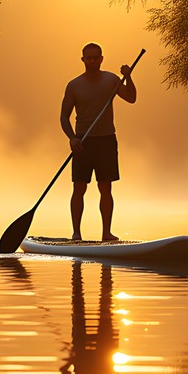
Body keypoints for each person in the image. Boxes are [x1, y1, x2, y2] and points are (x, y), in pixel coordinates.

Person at [60, 42, 137, 241]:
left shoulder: (111, 79)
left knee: (106, 188)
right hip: (83, 142)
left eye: (96, 57)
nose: (93, 61)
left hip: (106, 141)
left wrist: (128, 77)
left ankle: (106, 233)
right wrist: (72, 138)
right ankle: (76, 233)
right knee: (79, 188)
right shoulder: (74, 85)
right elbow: (63, 117)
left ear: (102, 58)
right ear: (83, 59)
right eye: (89, 58)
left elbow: (131, 98)